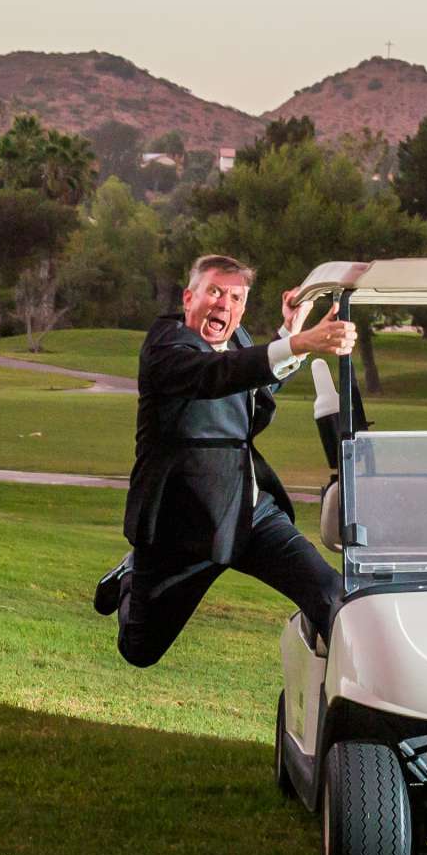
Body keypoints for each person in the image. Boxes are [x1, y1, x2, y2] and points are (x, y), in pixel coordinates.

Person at [93, 254, 356, 667]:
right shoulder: (166, 346)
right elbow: (215, 374)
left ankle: (360, 706)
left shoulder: (239, 342)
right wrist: (300, 343)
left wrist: (291, 329)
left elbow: (249, 381)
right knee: (139, 650)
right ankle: (130, 576)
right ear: (189, 297)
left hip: (250, 513)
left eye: (235, 297)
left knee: (330, 594)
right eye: (214, 292)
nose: (223, 304)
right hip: (182, 529)